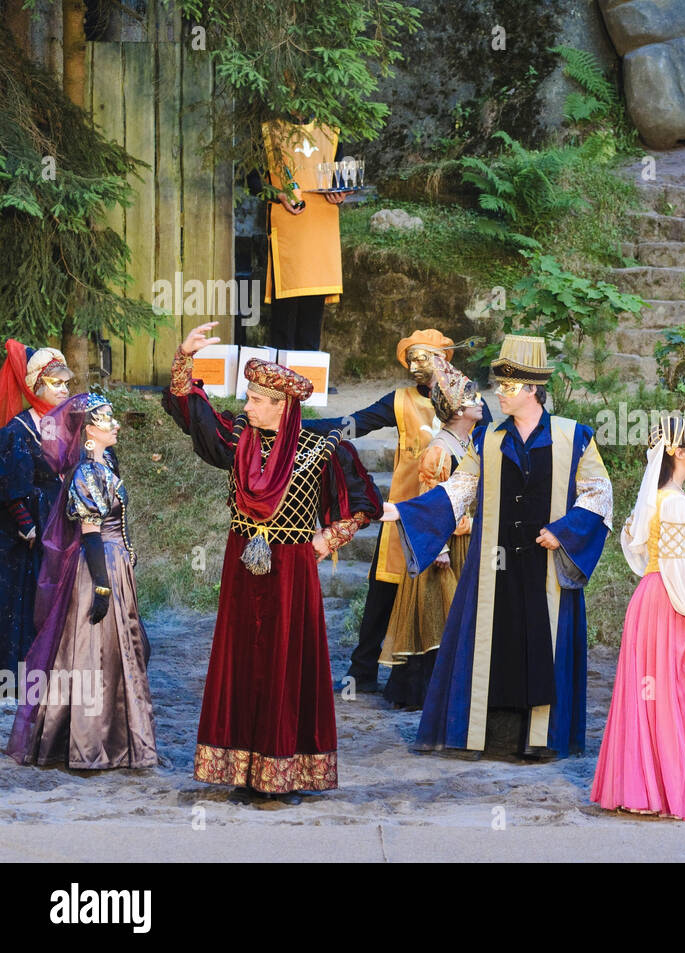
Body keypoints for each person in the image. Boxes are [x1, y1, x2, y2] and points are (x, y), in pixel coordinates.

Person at [163, 321, 382, 804]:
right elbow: (191, 412)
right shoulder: (238, 442)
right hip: (243, 566)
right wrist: (185, 356)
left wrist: (329, 537)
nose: (246, 406)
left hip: (290, 572)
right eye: (248, 397)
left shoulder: (321, 450)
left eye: (258, 400)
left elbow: (365, 502)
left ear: (284, 406)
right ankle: (242, 767)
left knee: (286, 661)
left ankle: (283, 771)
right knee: (243, 661)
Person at [381, 334, 613, 760]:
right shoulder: (487, 439)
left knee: (543, 643)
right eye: (499, 385)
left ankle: (539, 740)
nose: (498, 395)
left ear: (530, 390)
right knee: (493, 645)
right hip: (493, 567)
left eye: (508, 387)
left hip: (546, 567)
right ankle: (491, 739)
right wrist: (403, 512)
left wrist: (564, 530)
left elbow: (599, 495)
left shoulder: (574, 437)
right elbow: (458, 489)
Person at [303, 329, 487, 694]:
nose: (416, 365)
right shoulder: (400, 399)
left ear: (444, 359)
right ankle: (363, 671)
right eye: (411, 359)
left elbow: (488, 447)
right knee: (382, 590)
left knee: (444, 595)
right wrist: (295, 427)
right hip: (403, 510)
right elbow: (353, 424)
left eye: (425, 357)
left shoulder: (469, 398)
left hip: (452, 514)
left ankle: (433, 675)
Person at [6, 392, 157, 769]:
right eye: (108, 420)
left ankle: (113, 739)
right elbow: (90, 532)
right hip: (98, 568)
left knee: (122, 652)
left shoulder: (103, 463)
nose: (116, 424)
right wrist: (103, 586)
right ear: (89, 429)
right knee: (96, 654)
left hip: (113, 565)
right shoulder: (89, 473)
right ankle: (89, 744)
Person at [591, 415, 685, 819]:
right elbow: (677, 566)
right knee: (670, 693)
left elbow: (637, 548)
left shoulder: (657, 497)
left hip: (650, 597)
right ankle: (663, 790)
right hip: (669, 600)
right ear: (678, 453)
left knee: (650, 693)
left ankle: (645, 786)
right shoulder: (676, 503)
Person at [379, 357, 483, 710]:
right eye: (472, 400)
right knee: (438, 613)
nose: (480, 403)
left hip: (463, 539)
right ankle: (422, 691)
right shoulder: (439, 450)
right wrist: (438, 548)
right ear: (457, 410)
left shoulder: (467, 444)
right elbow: (429, 500)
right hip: (445, 546)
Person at [0, 341, 74, 687]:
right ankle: (21, 679)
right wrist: (27, 526)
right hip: (32, 534)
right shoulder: (19, 430)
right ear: (37, 386)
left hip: (64, 524)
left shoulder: (68, 425)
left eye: (66, 384)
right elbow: (12, 486)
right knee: (29, 599)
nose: (64, 389)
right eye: (56, 384)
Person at [262, 118, 346, 351]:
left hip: (320, 227)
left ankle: (308, 378)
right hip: (288, 226)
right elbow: (252, 181)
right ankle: (281, 380)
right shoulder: (269, 131)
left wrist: (340, 192)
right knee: (286, 308)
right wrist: (279, 195)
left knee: (313, 304)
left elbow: (340, 177)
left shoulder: (331, 131)